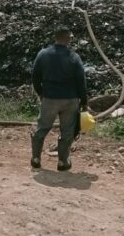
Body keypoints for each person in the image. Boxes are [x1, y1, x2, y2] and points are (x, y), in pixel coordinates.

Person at [31, 27, 88, 171]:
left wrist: (41, 93)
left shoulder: (43, 54)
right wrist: (84, 101)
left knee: (42, 128)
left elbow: (35, 76)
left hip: (50, 98)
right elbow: (81, 81)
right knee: (67, 131)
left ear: (55, 37)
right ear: (68, 38)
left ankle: (36, 158)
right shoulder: (74, 57)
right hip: (70, 100)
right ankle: (63, 162)